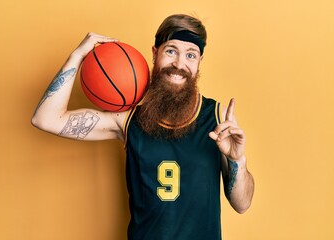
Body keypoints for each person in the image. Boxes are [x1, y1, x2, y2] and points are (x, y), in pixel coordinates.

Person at [32, 13, 254, 240]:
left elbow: (242, 204)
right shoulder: (127, 119)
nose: (179, 64)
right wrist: (77, 56)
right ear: (155, 53)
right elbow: (46, 119)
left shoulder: (218, 118)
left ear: (199, 62)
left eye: (191, 55)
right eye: (171, 51)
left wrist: (237, 159)